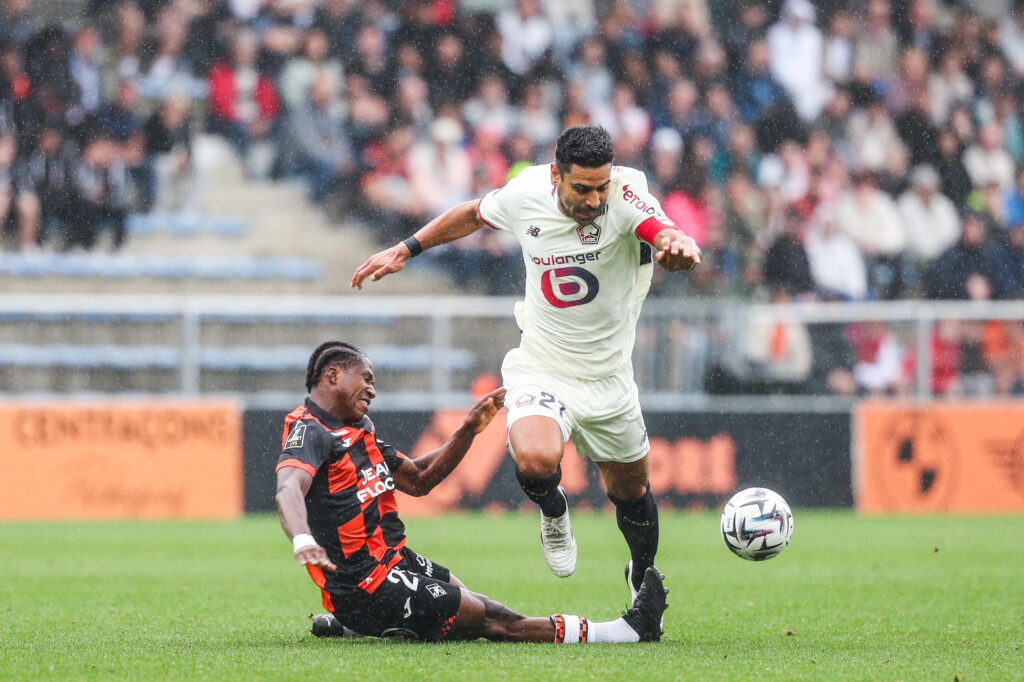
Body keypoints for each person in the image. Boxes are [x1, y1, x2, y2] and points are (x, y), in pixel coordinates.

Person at [350, 125, 700, 603]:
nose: (595, 200)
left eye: (601, 187)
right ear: (556, 175)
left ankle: (642, 573)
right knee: (535, 461)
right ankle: (554, 512)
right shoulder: (526, 192)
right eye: (582, 188)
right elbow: (472, 214)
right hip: (542, 365)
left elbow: (663, 232)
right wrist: (405, 249)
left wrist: (678, 249)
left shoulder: (626, 194)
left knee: (632, 493)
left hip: (609, 377)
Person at [275, 341, 668, 643]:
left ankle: (364, 624)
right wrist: (302, 538)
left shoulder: (358, 429)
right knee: (491, 619)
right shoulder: (310, 430)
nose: (372, 390)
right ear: (333, 375)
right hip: (364, 585)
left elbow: (419, 479)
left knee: (466, 601)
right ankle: (625, 631)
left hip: (392, 562)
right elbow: (289, 487)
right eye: (366, 379)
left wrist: (468, 430)